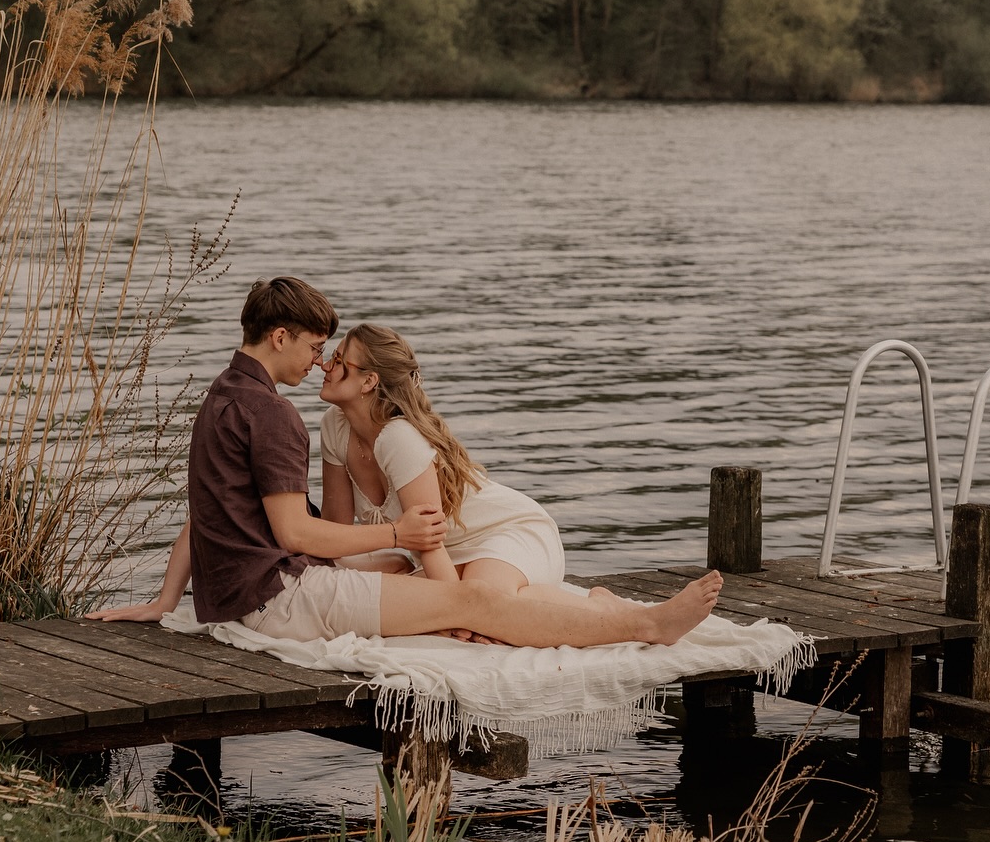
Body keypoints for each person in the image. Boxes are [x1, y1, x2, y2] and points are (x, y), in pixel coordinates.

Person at [88, 276, 721, 648]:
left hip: (254, 595)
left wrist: (165, 602)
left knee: (457, 597)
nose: (317, 361)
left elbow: (204, 516)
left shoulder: (220, 397)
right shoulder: (272, 415)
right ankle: (644, 624)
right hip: (283, 600)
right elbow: (295, 535)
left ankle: (605, 612)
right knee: (473, 604)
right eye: (312, 347)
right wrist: (396, 535)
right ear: (278, 337)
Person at [318, 323, 603, 627]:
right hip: (448, 557)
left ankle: (609, 611)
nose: (324, 365)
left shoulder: (398, 438)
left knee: (485, 611)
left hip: (508, 533)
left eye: (338, 360)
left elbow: (430, 542)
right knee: (451, 606)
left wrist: (453, 615)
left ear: (368, 381)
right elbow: (334, 532)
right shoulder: (335, 427)